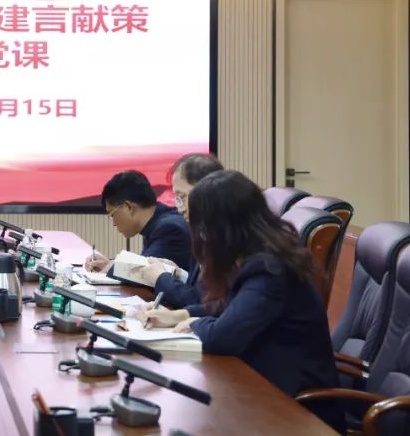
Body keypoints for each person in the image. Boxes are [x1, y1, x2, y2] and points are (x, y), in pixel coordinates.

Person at [142, 170, 343, 430]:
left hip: (296, 410)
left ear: (221, 226)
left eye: (202, 227)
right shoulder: (260, 254)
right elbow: (235, 307)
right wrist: (182, 314)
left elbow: (222, 337)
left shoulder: (269, 268)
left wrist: (194, 324)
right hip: (265, 387)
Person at [131, 153, 223, 311]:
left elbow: (202, 303)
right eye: (177, 197)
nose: (180, 208)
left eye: (183, 196)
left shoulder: (224, 237)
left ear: (207, 189)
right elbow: (199, 291)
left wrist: (160, 278)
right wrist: (178, 274)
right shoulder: (204, 232)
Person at [88, 170, 192, 273]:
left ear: (128, 207)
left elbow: (143, 273)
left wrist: (111, 268)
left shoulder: (169, 229)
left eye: (112, 215)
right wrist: (109, 265)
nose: (114, 223)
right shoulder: (157, 222)